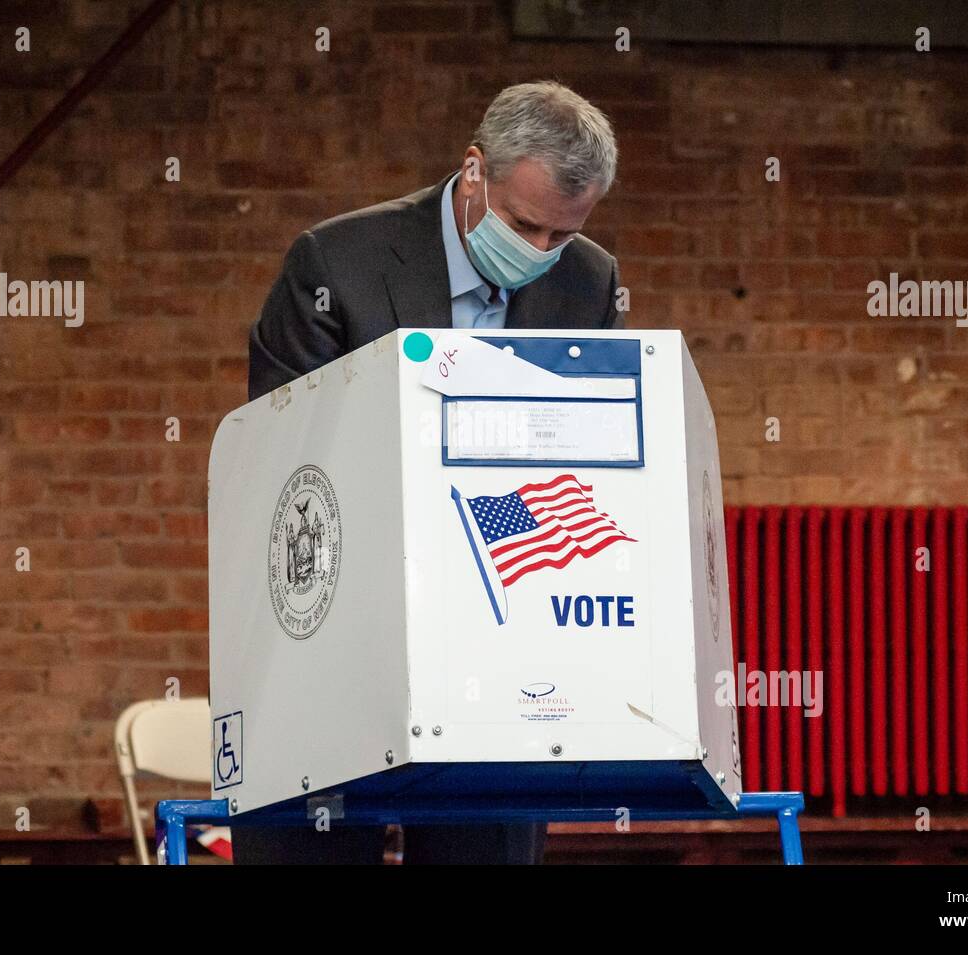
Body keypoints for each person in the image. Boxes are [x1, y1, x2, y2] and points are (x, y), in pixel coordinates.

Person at [239, 80, 621, 864]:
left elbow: (585, 466)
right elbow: (285, 467)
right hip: (331, 635)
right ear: (474, 171)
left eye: (563, 234)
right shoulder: (334, 263)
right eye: (524, 225)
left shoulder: (589, 282)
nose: (543, 253)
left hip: (496, 646)